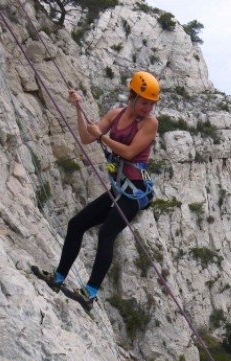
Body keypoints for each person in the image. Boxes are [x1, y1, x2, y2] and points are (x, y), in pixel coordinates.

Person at [34, 71, 160, 310]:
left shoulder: (149, 123)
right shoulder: (116, 114)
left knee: (107, 234)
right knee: (76, 224)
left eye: (152, 103)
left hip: (135, 192)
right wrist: (79, 108)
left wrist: (102, 136)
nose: (148, 107)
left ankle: (90, 293)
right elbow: (85, 136)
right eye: (145, 101)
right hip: (118, 189)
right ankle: (58, 278)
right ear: (132, 96)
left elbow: (130, 152)